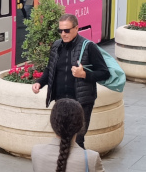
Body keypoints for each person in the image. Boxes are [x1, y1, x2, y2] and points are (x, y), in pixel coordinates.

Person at [31, 14, 110, 148]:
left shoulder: (89, 47)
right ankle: (63, 168)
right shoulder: (56, 46)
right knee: (61, 138)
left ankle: (81, 167)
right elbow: (50, 68)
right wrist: (40, 82)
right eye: (60, 31)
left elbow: (104, 73)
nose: (63, 34)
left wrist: (84, 74)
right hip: (61, 101)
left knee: (77, 141)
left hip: (81, 101)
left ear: (76, 28)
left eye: (67, 30)